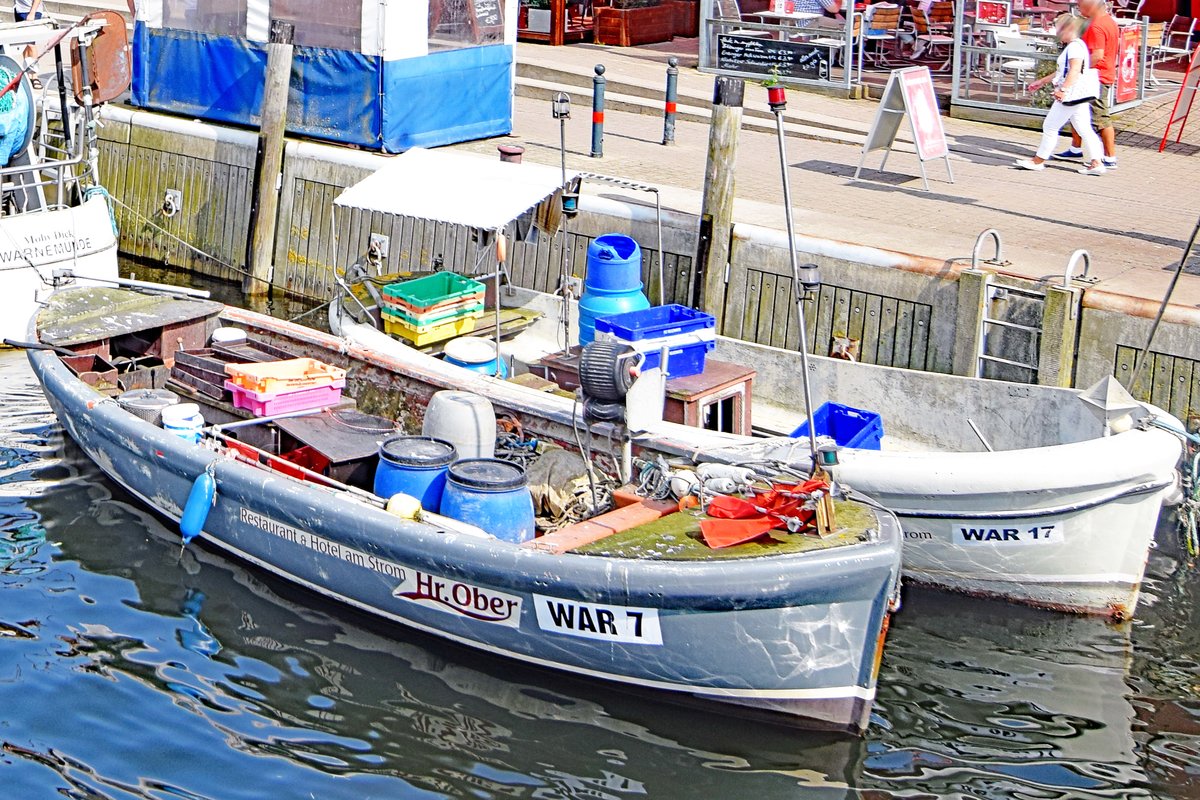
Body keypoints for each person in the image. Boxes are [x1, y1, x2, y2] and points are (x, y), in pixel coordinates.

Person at [1015, 14, 1106, 175]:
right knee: (1084, 128)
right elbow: (1064, 70)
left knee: (1050, 126)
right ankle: (1097, 162)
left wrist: (1063, 90)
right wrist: (1042, 81)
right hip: (1077, 94)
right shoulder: (1077, 46)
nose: (1057, 33)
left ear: (1069, 29)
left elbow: (1074, 70)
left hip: (1070, 94)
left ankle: (1039, 160)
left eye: (1059, 29)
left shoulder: (1074, 47)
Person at [1052, 0, 1119, 169]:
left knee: (1100, 117)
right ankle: (1075, 148)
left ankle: (1110, 157)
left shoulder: (1096, 26)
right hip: (1100, 74)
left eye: (1081, 3)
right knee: (1077, 111)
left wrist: (1077, 69)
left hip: (1096, 77)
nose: (1078, 7)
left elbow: (1097, 55)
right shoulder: (1108, 21)